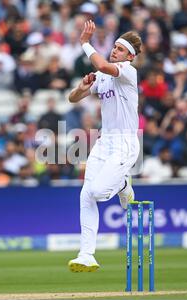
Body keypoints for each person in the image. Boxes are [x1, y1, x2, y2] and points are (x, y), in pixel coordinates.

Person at [67, 20, 142, 272]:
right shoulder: (102, 75)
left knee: (98, 192)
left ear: (129, 56)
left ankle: (122, 184)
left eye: (120, 50)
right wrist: (81, 88)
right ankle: (86, 254)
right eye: (115, 48)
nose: (115, 51)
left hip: (126, 143)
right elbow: (72, 98)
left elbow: (100, 63)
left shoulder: (128, 72)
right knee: (85, 194)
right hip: (104, 142)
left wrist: (85, 43)